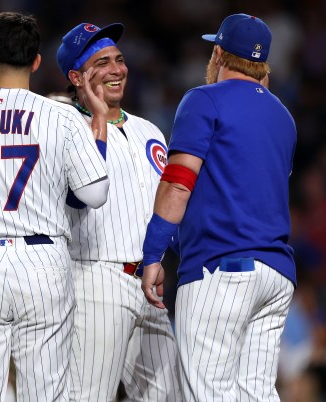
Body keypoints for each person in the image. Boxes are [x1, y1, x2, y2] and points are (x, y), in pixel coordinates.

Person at [0, 11, 109, 402]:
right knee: (45, 393)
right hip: (43, 262)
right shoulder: (61, 116)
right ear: (36, 62)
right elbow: (95, 195)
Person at [140, 13, 296, 401]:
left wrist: (152, 254)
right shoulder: (285, 116)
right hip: (275, 277)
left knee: (207, 393)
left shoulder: (203, 99)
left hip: (223, 269)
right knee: (257, 394)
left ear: (219, 53)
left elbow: (177, 184)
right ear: (263, 65)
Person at [56, 22, 180, 402]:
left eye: (119, 60)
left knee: (170, 396)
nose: (116, 69)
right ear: (76, 77)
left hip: (149, 284)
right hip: (94, 279)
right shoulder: (63, 127)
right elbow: (79, 197)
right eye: (102, 63)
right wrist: (95, 117)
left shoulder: (149, 131)